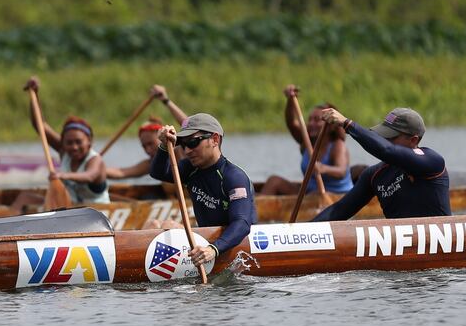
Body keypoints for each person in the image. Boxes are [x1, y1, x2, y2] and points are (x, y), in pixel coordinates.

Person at [149, 113, 257, 268]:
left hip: (231, 243)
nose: (187, 151)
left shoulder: (234, 177)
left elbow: (242, 223)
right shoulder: (190, 169)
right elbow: (158, 173)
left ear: (215, 139)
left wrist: (213, 249)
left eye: (193, 142)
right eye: (184, 145)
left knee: (168, 225)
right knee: (153, 224)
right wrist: (165, 146)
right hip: (205, 242)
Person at [312, 107, 450, 221]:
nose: (382, 140)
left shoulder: (432, 162)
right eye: (382, 135)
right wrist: (301, 232)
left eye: (390, 136)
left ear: (413, 140)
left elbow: (387, 150)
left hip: (440, 247)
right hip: (402, 249)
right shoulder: (374, 176)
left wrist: (347, 124)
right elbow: (339, 211)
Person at [22, 77, 109, 204]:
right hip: (71, 209)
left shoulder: (96, 160)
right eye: (69, 143)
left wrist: (63, 175)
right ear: (63, 143)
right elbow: (39, 125)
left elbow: (89, 176)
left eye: (79, 142)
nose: (74, 147)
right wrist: (35, 94)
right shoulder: (64, 151)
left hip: (96, 213)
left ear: (89, 142)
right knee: (24, 198)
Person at [259, 84, 352, 195]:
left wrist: (322, 168)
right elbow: (292, 123)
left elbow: (341, 171)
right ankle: (253, 209)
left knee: (314, 195)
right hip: (310, 194)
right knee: (274, 181)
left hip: (338, 195)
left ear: (330, 126)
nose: (312, 124)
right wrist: (290, 100)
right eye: (310, 119)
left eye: (317, 120)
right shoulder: (307, 142)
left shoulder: (337, 145)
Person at [106, 85, 189, 180]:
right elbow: (121, 172)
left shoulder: (185, 150)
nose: (148, 150)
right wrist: (94, 168)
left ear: (162, 137)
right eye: (144, 146)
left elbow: (189, 125)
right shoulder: (152, 163)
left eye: (150, 143)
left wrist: (166, 101)